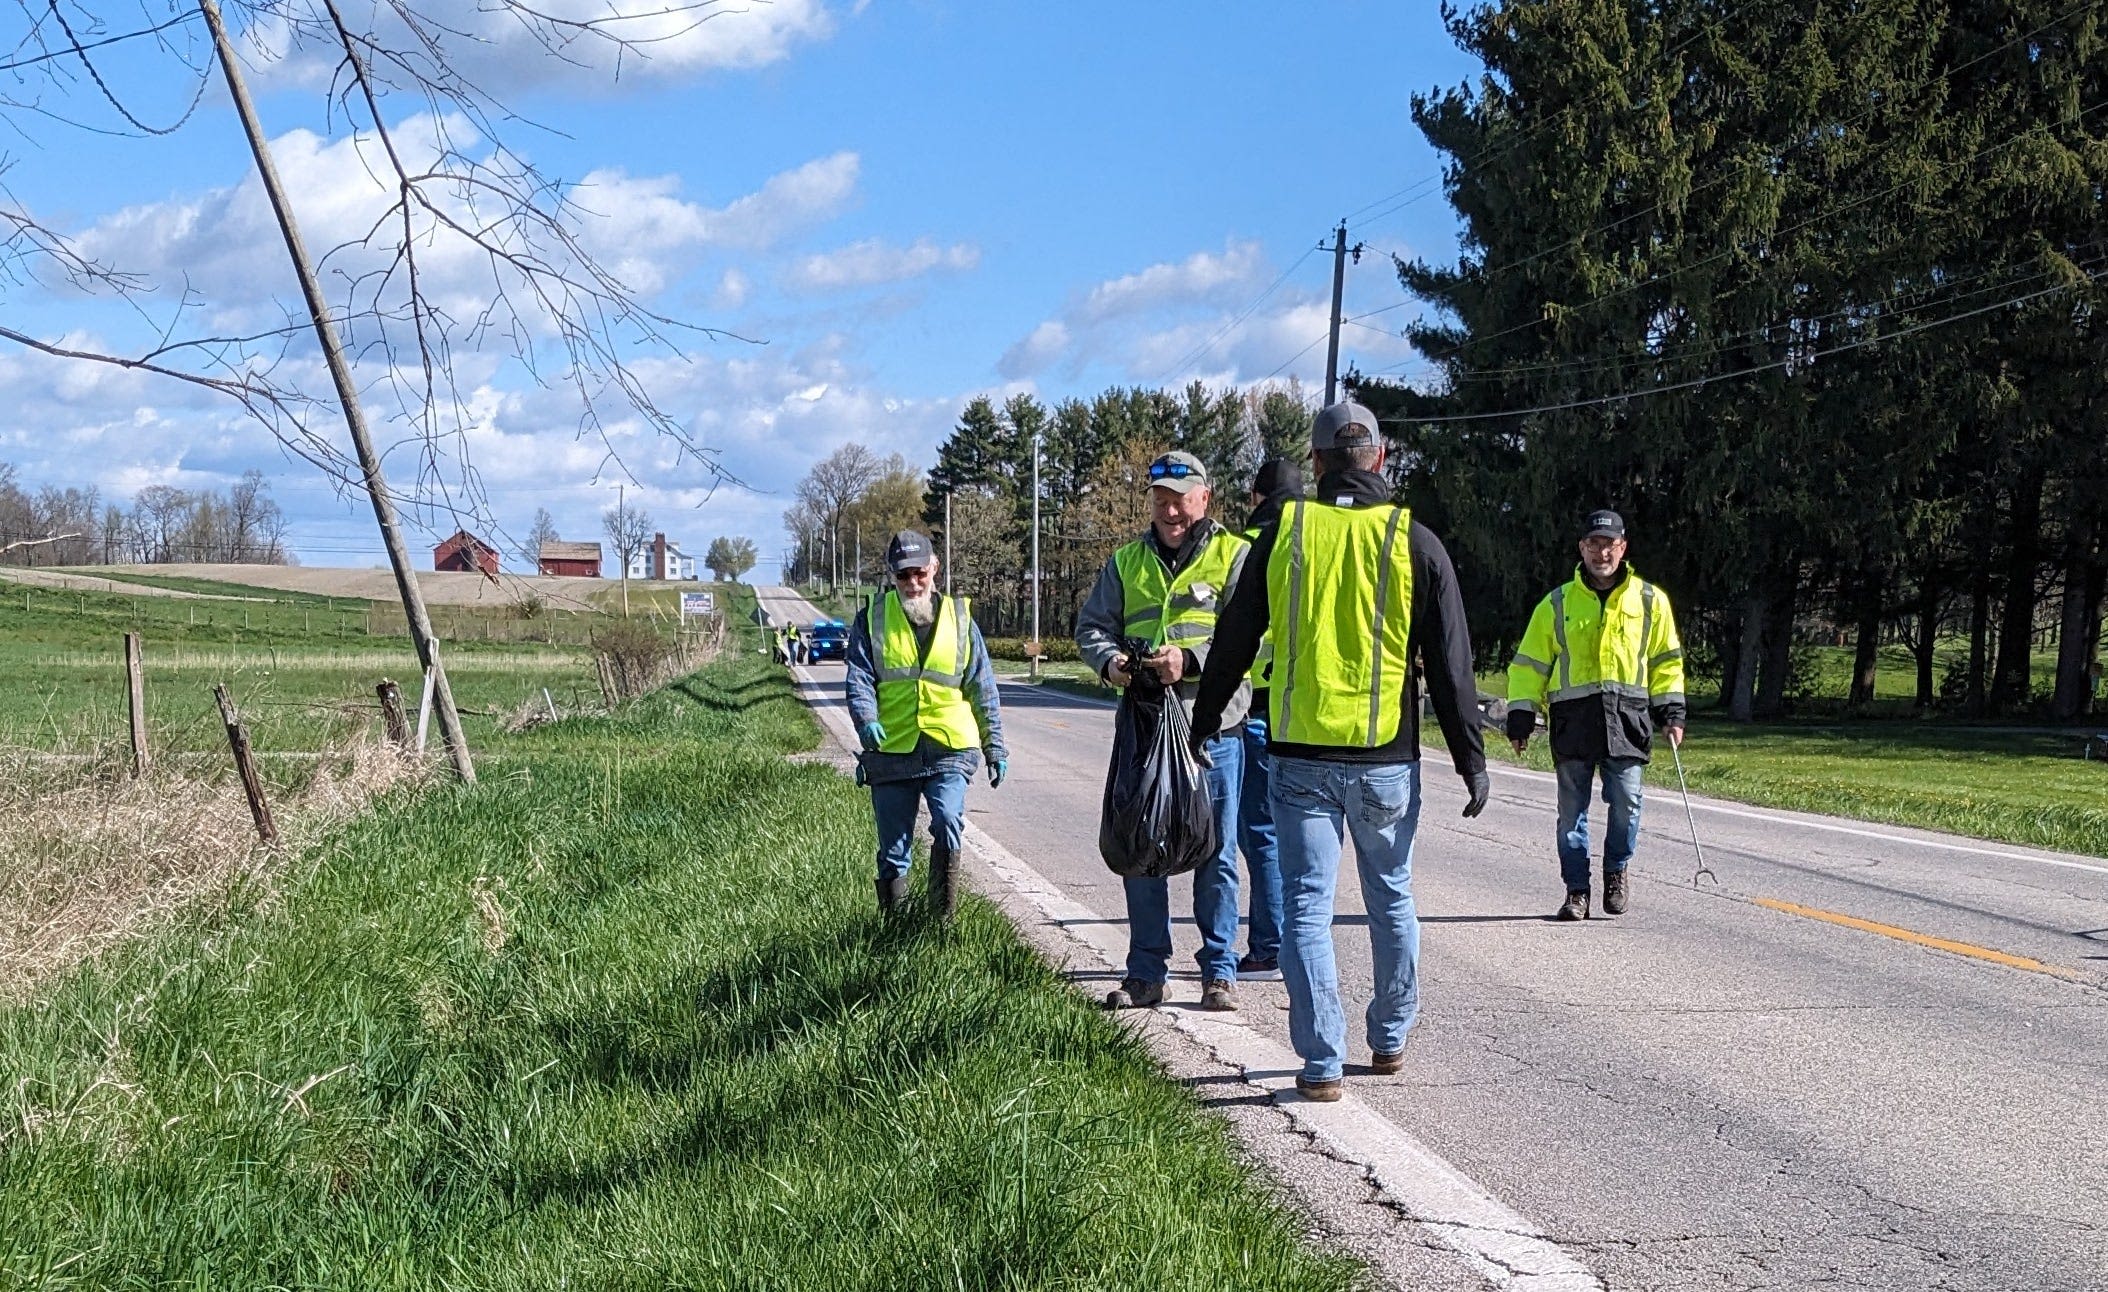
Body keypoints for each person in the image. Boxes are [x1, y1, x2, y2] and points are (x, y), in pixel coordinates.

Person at [1193, 400, 1489, 1103]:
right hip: (1386, 757)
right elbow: (1452, 665)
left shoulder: (1285, 533)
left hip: (1298, 756)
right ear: (1380, 459)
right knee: (1391, 898)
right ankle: (1388, 1039)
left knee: (1305, 907)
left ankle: (1321, 1062)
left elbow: (1234, 637)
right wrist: (1470, 760)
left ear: (1318, 462)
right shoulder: (1414, 541)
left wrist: (1206, 719)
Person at [1077, 449, 1251, 1013]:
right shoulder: (1126, 561)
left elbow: (1256, 638)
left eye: (1180, 499)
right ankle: (1147, 972)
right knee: (1141, 845)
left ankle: (1218, 972)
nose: (1170, 511)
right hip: (1146, 728)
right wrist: (1111, 664)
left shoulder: (1234, 555)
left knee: (1214, 851)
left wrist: (1194, 661)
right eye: (1160, 501)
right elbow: (1092, 627)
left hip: (1213, 729)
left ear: (1205, 498)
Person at [1504, 509, 1686, 922]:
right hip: (1574, 723)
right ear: (1581, 548)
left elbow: (1666, 661)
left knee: (1628, 803)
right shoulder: (1557, 602)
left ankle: (1616, 870)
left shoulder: (1649, 601)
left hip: (1628, 722)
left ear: (1623, 548)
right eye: (1593, 544)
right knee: (1572, 814)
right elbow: (1528, 666)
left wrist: (1672, 711)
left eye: (1609, 544)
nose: (1601, 552)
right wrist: (1521, 715)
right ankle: (1576, 891)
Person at [844, 530, 1008, 918]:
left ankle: (941, 922)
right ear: (892, 575)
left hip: (950, 746)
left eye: (920, 573)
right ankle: (895, 929)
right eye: (903, 576)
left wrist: (994, 746)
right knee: (893, 848)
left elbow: (982, 686)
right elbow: (859, 679)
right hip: (891, 750)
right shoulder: (872, 619)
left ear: (935, 568)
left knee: (949, 818)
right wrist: (866, 720)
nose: (913, 583)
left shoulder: (961, 619)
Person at [1231, 457, 1303, 981]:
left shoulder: (1245, 547)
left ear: (1256, 498)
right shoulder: (1315, 547)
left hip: (1250, 707)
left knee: (1258, 832)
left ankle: (1268, 947)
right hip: (1302, 712)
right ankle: (1288, 941)